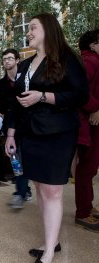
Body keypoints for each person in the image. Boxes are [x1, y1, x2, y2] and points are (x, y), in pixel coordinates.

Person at [4, 13, 89, 263]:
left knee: (52, 190)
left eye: (32, 27)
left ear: (48, 29)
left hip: (58, 133)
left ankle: (50, 251)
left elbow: (80, 95)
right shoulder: (27, 63)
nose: (28, 32)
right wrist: (10, 134)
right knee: (40, 188)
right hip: (30, 132)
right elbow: (15, 103)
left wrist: (44, 97)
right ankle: (51, 241)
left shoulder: (66, 59)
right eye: (28, 28)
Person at [0, 48, 32, 208]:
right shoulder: (0, 84)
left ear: (17, 60)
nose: (7, 61)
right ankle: (20, 191)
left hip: (28, 126)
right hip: (10, 128)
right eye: (5, 59)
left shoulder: (26, 79)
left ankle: (24, 189)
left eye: (10, 58)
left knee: (27, 160)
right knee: (15, 160)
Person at [74, 29, 99, 232]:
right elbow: (78, 90)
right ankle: (83, 211)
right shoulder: (90, 60)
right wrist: (95, 108)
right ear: (93, 44)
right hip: (89, 123)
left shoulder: (90, 59)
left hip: (90, 122)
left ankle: (87, 208)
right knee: (87, 168)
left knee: (88, 167)